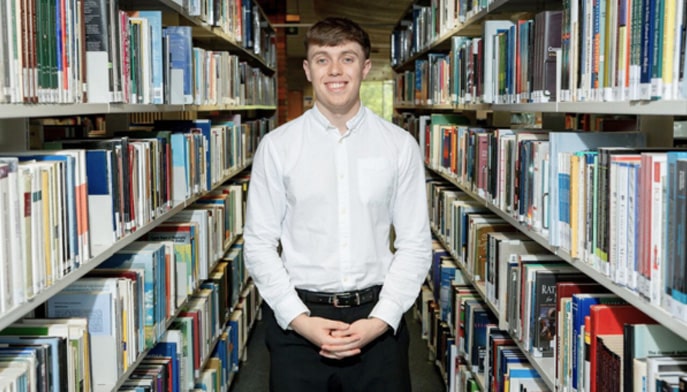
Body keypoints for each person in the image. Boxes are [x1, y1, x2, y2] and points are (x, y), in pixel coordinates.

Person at [243, 16, 432, 391]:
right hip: (298, 325)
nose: (334, 70)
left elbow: (415, 244)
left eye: (347, 58)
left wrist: (380, 320)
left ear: (364, 68)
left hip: (378, 322)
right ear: (307, 70)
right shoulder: (277, 147)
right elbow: (258, 243)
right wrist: (299, 319)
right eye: (322, 59)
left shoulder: (399, 146)